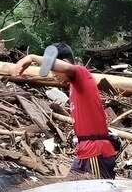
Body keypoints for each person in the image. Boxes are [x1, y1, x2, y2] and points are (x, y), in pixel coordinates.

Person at [14, 43, 118, 179]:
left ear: (63, 63)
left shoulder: (81, 73)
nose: (53, 75)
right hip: (85, 151)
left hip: (95, 153)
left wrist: (32, 57)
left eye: (54, 71)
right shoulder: (74, 86)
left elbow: (66, 68)